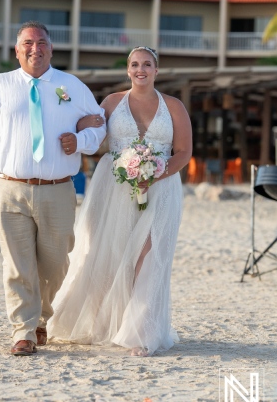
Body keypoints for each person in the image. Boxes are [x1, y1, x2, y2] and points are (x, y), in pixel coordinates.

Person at [0, 21, 106, 356]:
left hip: (58, 190)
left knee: (55, 262)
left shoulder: (72, 86)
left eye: (41, 43)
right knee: (17, 262)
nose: (34, 49)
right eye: (27, 43)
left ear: (51, 48)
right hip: (8, 188)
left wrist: (79, 140)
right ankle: (23, 330)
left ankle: (42, 318)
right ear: (16, 49)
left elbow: (99, 124)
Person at [48, 46, 192, 356]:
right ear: (128, 70)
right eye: (135, 64)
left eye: (147, 64)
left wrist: (155, 174)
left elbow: (184, 152)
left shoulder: (174, 106)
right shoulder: (111, 102)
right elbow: (93, 138)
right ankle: (106, 324)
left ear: (156, 70)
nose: (141, 69)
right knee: (108, 253)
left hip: (162, 188)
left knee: (148, 255)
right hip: (113, 187)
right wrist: (72, 121)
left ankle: (140, 333)